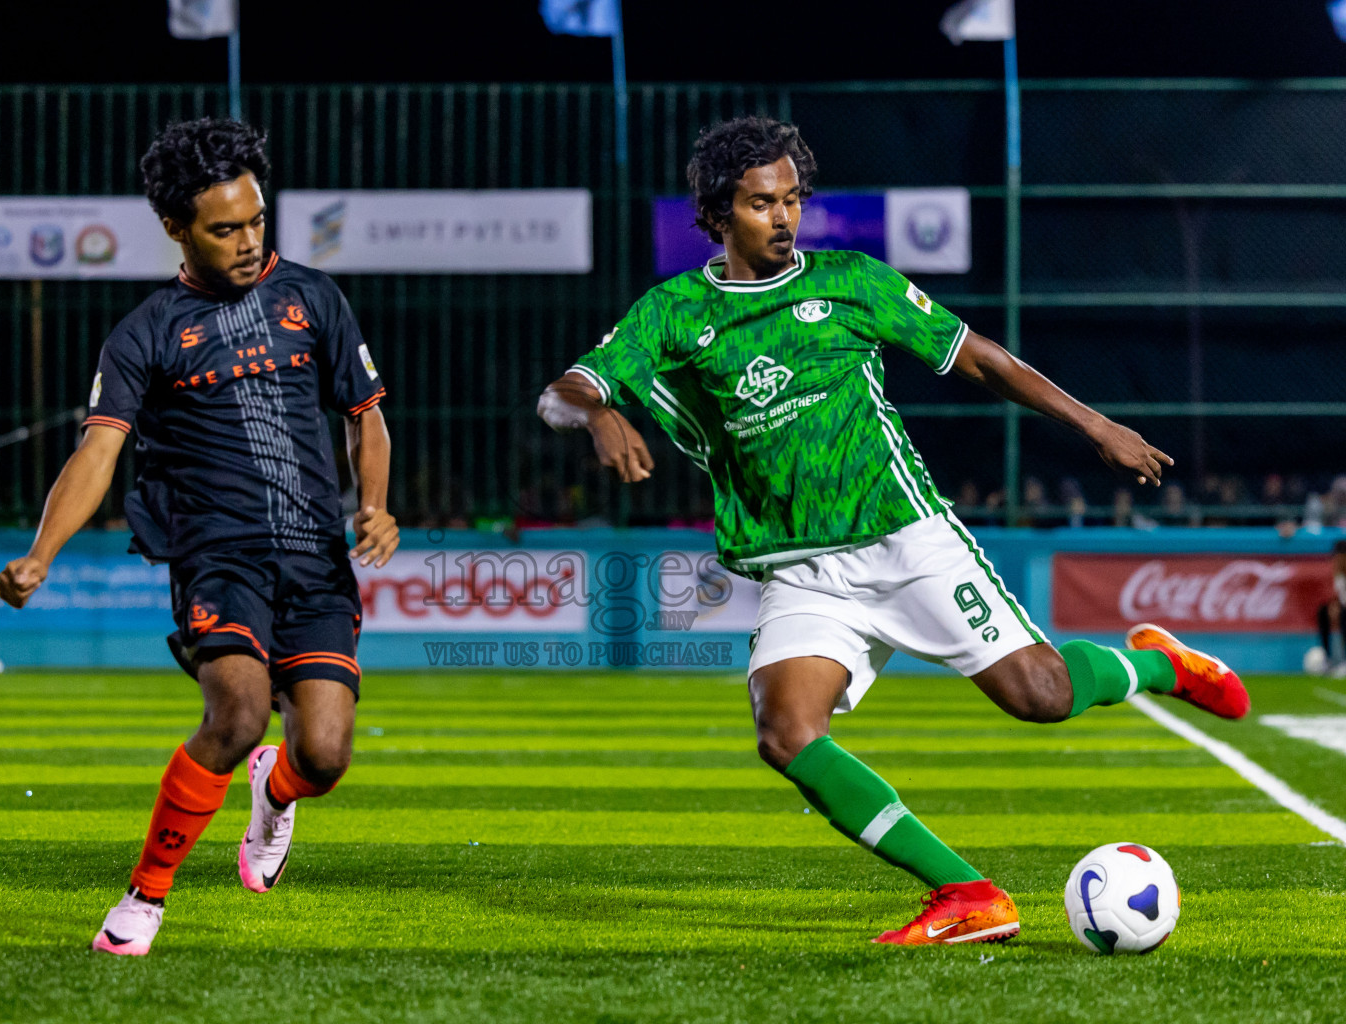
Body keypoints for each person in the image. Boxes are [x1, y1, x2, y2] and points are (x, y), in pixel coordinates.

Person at [536, 116, 1250, 946]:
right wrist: (597, 418)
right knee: (785, 732)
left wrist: (1094, 426)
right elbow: (564, 390)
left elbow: (979, 357)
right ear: (717, 213)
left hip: (904, 541)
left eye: (793, 200)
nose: (784, 218)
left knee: (1042, 696)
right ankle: (968, 893)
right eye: (763, 203)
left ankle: (1158, 663)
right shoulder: (674, 313)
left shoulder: (852, 282)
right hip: (797, 571)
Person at [0, 118, 398, 955]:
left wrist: (377, 503)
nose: (250, 241)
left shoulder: (315, 299)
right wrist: (42, 553)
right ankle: (144, 900)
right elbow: (98, 449)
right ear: (178, 229)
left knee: (322, 756)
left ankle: (274, 796)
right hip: (218, 558)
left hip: (316, 557)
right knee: (241, 712)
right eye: (226, 228)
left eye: (257, 219)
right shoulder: (146, 332)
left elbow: (368, 418)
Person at [1307, 539, 1346, 675]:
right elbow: (1335, 595)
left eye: (1339, 557)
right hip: (1342, 606)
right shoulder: (1337, 574)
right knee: (1322, 611)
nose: (1336, 560)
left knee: (1344, 616)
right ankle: (1327, 658)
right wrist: (1333, 605)